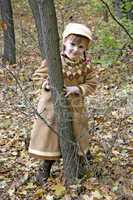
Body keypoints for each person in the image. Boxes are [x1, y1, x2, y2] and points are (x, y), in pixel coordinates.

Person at [29, 23, 97, 184]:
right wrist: (46, 84)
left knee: (77, 135)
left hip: (75, 108)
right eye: (72, 44)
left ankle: (81, 163)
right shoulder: (54, 60)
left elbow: (92, 84)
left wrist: (77, 88)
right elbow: (37, 76)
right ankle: (45, 167)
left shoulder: (86, 65)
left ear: (85, 48)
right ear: (65, 42)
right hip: (53, 107)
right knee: (51, 137)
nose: (75, 49)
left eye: (80, 47)